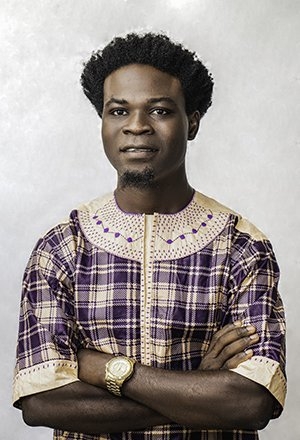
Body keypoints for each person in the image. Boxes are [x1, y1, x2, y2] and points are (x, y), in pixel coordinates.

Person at [13, 33, 286, 440]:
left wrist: (106, 370)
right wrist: (194, 388)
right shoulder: (62, 247)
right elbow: (42, 403)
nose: (136, 126)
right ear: (103, 122)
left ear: (192, 121)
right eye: (118, 111)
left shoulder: (242, 247)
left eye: (159, 110)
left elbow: (250, 402)